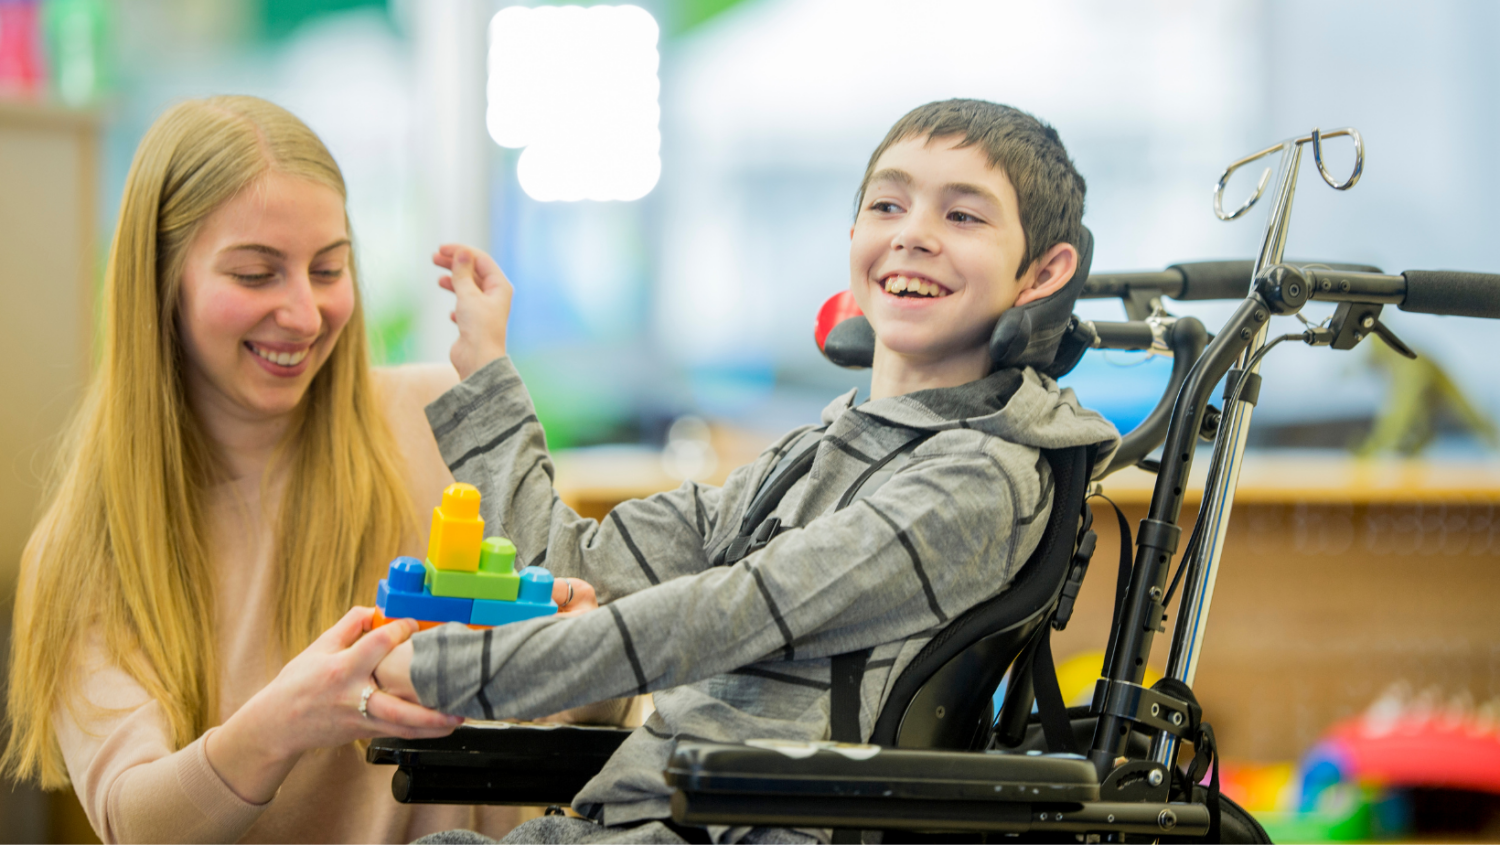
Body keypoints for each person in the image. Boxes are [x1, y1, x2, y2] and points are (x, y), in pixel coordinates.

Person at [375, 99, 1120, 844]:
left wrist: (454, 671)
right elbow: (569, 567)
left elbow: (734, 610)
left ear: (1044, 272)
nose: (912, 234)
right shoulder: (813, 454)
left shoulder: (983, 478)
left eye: (963, 217)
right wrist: (486, 372)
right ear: (854, 236)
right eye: (887, 204)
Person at [0, 95, 599, 843]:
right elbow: (136, 822)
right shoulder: (86, 550)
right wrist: (286, 722)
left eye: (328, 269)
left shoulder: (443, 418)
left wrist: (594, 658)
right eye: (256, 274)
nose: (306, 315)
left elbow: (575, 725)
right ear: (161, 287)